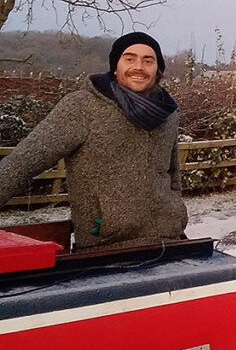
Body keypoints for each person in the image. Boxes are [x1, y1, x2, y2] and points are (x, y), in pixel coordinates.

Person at [0, 32, 188, 251]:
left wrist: (176, 214)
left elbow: (172, 174)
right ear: (115, 66)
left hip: (170, 242)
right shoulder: (82, 108)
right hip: (106, 248)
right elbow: (22, 164)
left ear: (158, 69)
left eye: (148, 61)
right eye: (129, 58)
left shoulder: (168, 113)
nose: (139, 66)